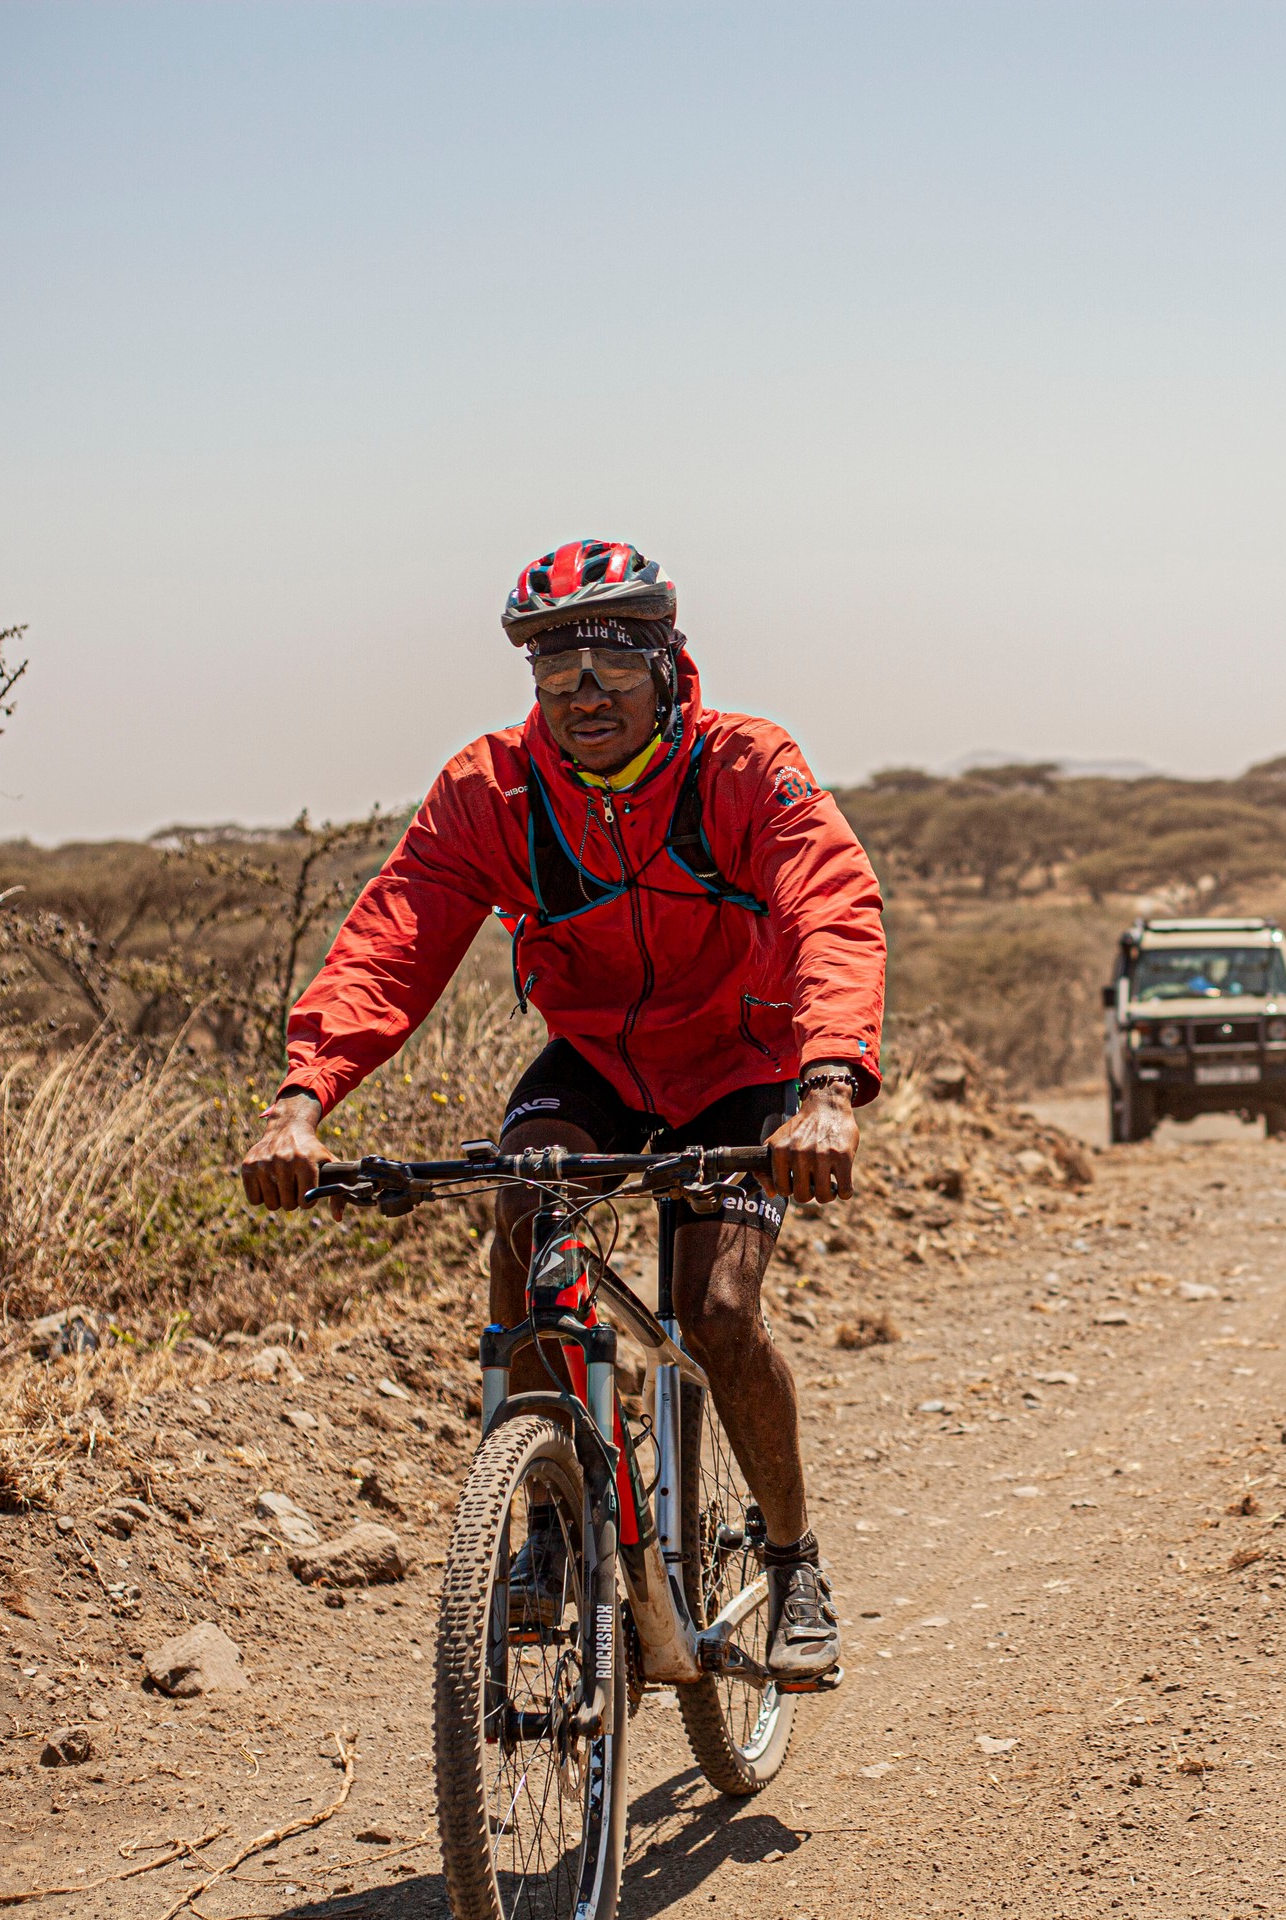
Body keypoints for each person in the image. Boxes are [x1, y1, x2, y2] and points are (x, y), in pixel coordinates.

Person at [239, 538, 885, 1686]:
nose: (582, 697)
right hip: (595, 1056)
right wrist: (301, 1101)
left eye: (608, 668)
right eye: (553, 674)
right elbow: (392, 939)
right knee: (524, 1205)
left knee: (718, 1312)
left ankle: (794, 1567)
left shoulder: (745, 766)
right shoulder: (492, 789)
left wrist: (828, 1084)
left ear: (667, 663)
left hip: (743, 1062)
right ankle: (545, 1521)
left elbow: (830, 909)